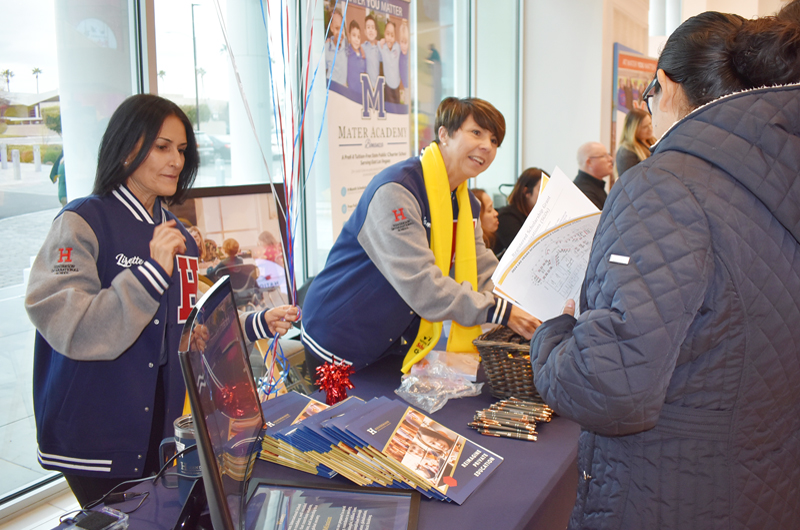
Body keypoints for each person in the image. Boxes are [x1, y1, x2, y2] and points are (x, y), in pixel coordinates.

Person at [530, 12, 800, 529]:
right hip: (764, 486)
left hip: (668, 493)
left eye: (648, 97)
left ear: (668, 87)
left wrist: (554, 333)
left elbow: (607, 387)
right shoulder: (778, 179)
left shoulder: (664, 186)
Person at [25, 94, 298, 507]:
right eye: (162, 146)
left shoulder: (178, 234)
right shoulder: (82, 221)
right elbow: (69, 326)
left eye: (182, 149)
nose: (176, 160)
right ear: (127, 146)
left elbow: (190, 329)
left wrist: (258, 323)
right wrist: (149, 275)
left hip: (158, 428)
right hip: (95, 432)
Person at [301, 97, 540, 374]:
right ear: (444, 134)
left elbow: (482, 268)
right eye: (476, 132)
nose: (487, 146)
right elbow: (423, 286)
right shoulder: (397, 191)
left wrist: (529, 299)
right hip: (338, 339)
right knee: (342, 418)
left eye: (495, 140)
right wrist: (502, 311)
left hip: (392, 341)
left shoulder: (466, 204)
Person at [493, 167, 546, 256]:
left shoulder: (539, 215)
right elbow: (521, 252)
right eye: (541, 189)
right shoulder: (507, 217)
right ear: (526, 192)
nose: (546, 194)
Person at [573, 142, 614, 210]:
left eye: (609, 155)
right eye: (604, 156)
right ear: (589, 162)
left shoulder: (595, 185)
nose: (610, 159)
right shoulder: (584, 192)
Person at [615, 108, 655, 177]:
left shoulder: (653, 141)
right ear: (633, 129)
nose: (650, 128)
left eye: (650, 123)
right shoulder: (626, 152)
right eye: (645, 127)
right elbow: (628, 180)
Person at [378, 19, 401, 104]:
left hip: (396, 85)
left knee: (397, 107)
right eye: (387, 34)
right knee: (389, 107)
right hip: (387, 85)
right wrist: (381, 41)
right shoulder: (382, 46)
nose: (390, 38)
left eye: (392, 35)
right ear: (384, 34)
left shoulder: (398, 47)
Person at [324, 8, 348, 86]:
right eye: (337, 28)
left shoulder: (348, 45)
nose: (340, 33)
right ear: (331, 28)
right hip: (332, 92)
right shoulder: (326, 48)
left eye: (342, 28)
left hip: (344, 92)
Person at [345, 20, 366, 92]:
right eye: (354, 35)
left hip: (362, 94)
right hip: (351, 94)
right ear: (349, 36)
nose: (356, 40)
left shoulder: (363, 55)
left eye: (359, 37)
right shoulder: (347, 52)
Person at [361, 14, 381, 89]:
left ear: (376, 32)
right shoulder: (362, 47)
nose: (371, 30)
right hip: (366, 87)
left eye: (373, 27)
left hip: (377, 86)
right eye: (368, 27)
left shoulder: (379, 49)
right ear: (365, 31)